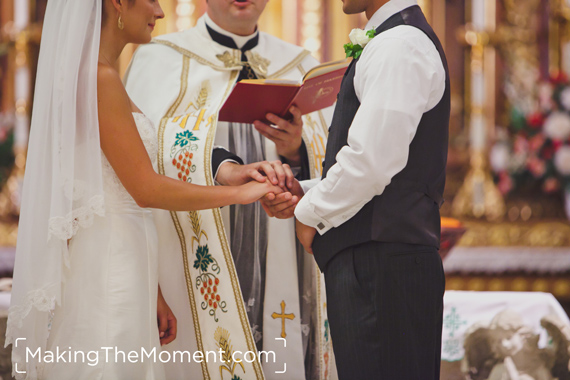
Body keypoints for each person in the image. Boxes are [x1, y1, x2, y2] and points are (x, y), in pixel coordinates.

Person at [6, 0, 286, 378]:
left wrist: (152, 289)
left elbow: (113, 183)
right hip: (109, 268)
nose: (159, 11)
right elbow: (144, 189)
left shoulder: (103, 76)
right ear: (119, 4)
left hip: (129, 261)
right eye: (151, 0)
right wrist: (238, 195)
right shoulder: (97, 78)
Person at [124, 1, 334, 378]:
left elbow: (336, 159)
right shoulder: (161, 59)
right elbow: (142, 151)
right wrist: (221, 166)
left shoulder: (299, 63)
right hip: (194, 240)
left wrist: (295, 150)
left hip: (282, 242)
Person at [265, 0, 449, 378]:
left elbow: (371, 162)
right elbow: (385, 167)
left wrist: (309, 213)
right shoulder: (393, 40)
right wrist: (307, 191)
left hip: (382, 265)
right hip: (380, 259)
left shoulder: (400, 45)